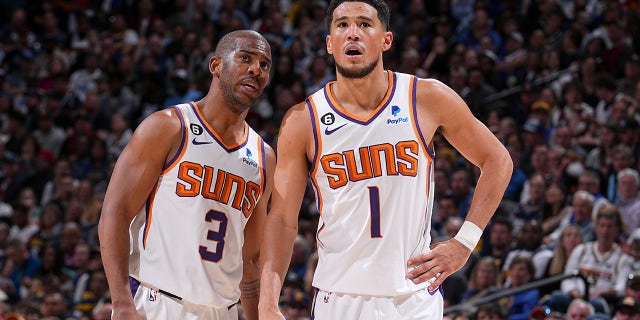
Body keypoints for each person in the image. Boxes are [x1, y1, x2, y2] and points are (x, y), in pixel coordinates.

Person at [258, 1, 512, 319]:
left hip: (414, 296)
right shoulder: (302, 120)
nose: (353, 33)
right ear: (328, 43)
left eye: (365, 24)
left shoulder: (426, 98)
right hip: (341, 297)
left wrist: (465, 242)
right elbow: (282, 218)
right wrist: (267, 302)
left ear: (386, 40)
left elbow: (498, 160)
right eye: (342, 25)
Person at [98, 30, 276, 320]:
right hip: (160, 304)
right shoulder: (168, 127)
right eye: (245, 58)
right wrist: (121, 302)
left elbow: (250, 260)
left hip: (224, 312)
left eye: (265, 64)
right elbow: (115, 214)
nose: (256, 69)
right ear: (216, 66)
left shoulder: (264, 157)